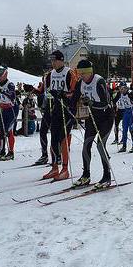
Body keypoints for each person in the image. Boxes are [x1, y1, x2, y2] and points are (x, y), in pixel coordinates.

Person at [71, 59, 114, 189]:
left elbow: (105, 103)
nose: (81, 76)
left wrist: (91, 103)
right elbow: (74, 99)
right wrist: (63, 100)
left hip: (106, 116)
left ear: (89, 72)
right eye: (79, 74)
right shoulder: (81, 83)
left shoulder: (99, 81)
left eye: (83, 73)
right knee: (86, 145)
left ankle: (106, 176)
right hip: (93, 117)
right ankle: (86, 175)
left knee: (100, 146)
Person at [39, 51, 77, 181]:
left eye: (55, 60)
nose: (53, 63)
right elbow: (46, 91)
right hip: (54, 109)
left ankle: (65, 169)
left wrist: (64, 95)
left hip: (67, 109)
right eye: (51, 60)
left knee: (63, 138)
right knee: (53, 138)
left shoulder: (69, 73)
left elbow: (75, 92)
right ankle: (54, 167)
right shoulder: (50, 75)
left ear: (61, 60)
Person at [0, 67, 17, 160]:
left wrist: (0, 90)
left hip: (11, 109)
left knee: (8, 130)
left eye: (1, 76)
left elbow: (12, 95)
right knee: (1, 130)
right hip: (2, 109)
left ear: (5, 75)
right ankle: (2, 151)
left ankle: (11, 152)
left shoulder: (10, 84)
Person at [113, 82, 133, 153]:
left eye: (122, 88)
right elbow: (114, 100)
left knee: (131, 129)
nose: (121, 90)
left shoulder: (130, 92)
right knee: (124, 129)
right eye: (120, 88)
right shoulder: (120, 94)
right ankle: (124, 146)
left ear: (125, 88)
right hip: (126, 111)